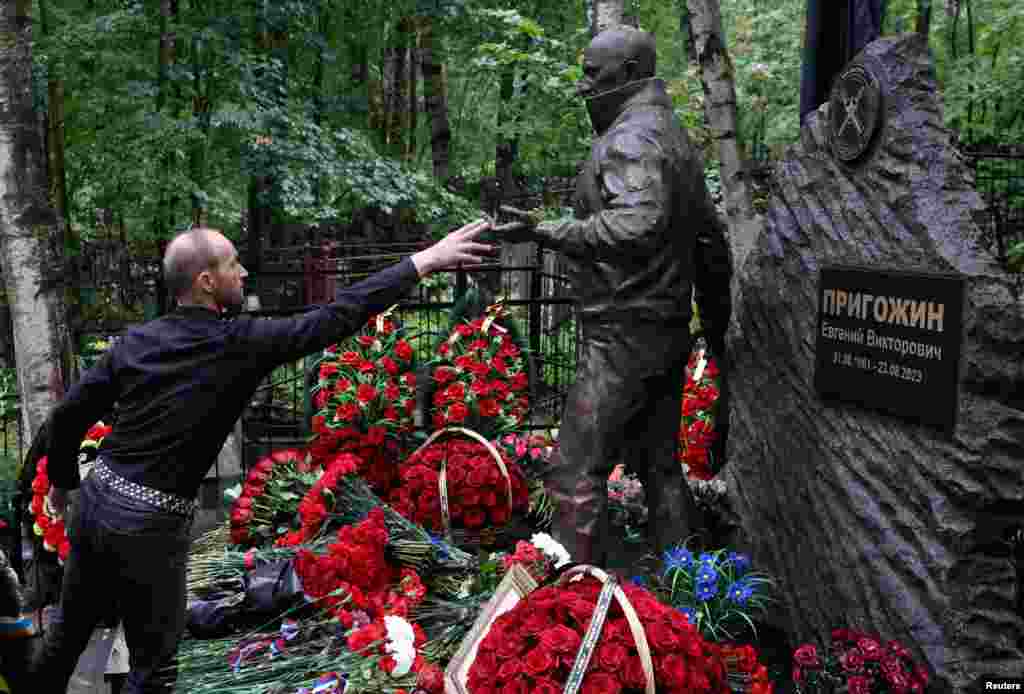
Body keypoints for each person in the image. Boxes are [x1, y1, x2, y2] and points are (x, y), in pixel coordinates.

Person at [30, 219, 494, 693]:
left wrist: (67, 486)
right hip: (150, 526)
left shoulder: (136, 342)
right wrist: (423, 262)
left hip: (98, 502)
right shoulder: (239, 344)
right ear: (207, 282)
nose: (245, 272)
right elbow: (336, 316)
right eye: (234, 264)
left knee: (67, 635)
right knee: (154, 670)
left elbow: (66, 417)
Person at [494, 26, 732, 569]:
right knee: (660, 467)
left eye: (592, 76)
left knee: (574, 472)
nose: (583, 88)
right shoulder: (669, 133)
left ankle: (575, 610)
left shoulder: (633, 138)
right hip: (662, 326)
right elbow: (708, 238)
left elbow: (638, 225)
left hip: (623, 332)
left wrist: (546, 230)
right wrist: (713, 323)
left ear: (628, 76)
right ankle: (688, 593)